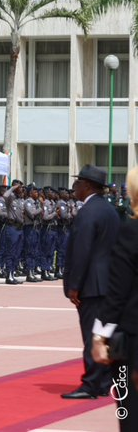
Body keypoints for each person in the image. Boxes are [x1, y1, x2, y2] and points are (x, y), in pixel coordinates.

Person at [61, 165, 120, 400]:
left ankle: (91, 384)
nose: (74, 187)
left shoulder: (88, 212)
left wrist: (74, 285)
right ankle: (104, 381)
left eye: (78, 183)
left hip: (91, 284)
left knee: (91, 335)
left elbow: (82, 251)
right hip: (107, 281)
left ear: (87, 185)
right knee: (101, 334)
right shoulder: (108, 210)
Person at [91, 166, 138, 431]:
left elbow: (117, 292)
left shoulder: (131, 232)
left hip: (132, 339)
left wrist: (99, 335)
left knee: (130, 411)